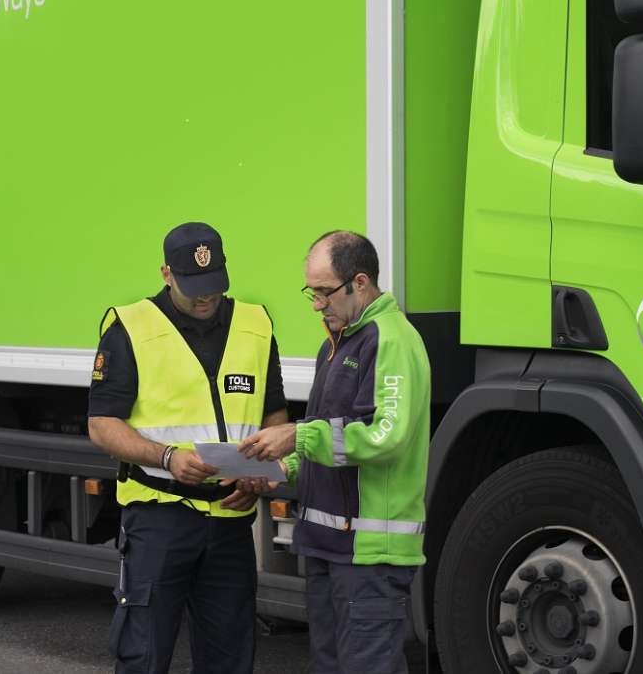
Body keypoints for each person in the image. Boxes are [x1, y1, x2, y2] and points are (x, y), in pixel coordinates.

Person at [88, 221, 289, 674]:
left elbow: (274, 414)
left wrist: (259, 471)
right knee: (144, 654)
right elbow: (101, 425)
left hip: (231, 521)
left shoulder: (255, 325)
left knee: (230, 657)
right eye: (193, 287)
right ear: (166, 273)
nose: (205, 297)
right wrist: (167, 457)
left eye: (214, 285)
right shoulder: (130, 328)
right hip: (160, 518)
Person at [239, 231, 430, 674]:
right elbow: (331, 436)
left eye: (324, 292)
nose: (316, 304)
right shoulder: (338, 342)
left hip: (369, 556)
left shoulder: (391, 340)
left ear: (359, 282)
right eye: (312, 292)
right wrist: (281, 470)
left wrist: (298, 437)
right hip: (329, 547)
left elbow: (386, 435)